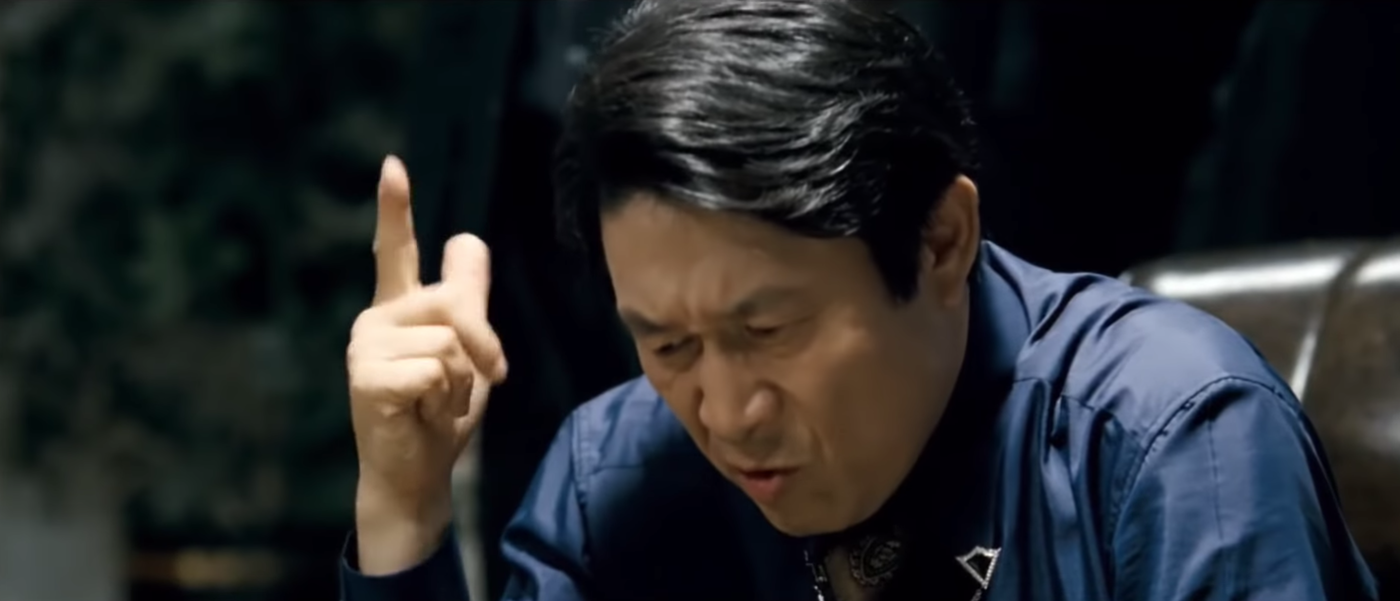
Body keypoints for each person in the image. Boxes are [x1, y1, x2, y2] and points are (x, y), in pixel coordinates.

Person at [338, 1, 1378, 599]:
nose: (728, 412)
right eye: (667, 344)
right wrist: (401, 505)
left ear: (940, 241)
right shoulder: (612, 477)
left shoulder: (1166, 439)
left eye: (768, 329)